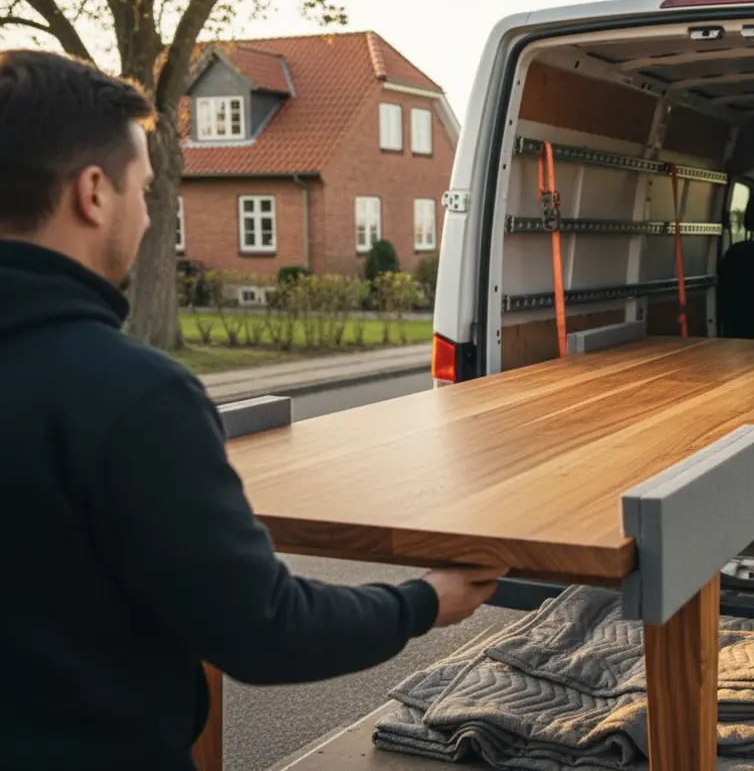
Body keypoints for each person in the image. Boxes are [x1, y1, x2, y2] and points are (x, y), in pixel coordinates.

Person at [0, 50, 506, 770]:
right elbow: (264, 631)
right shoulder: (128, 397)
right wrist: (425, 602)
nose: (149, 217)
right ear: (93, 193)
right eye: (146, 190)